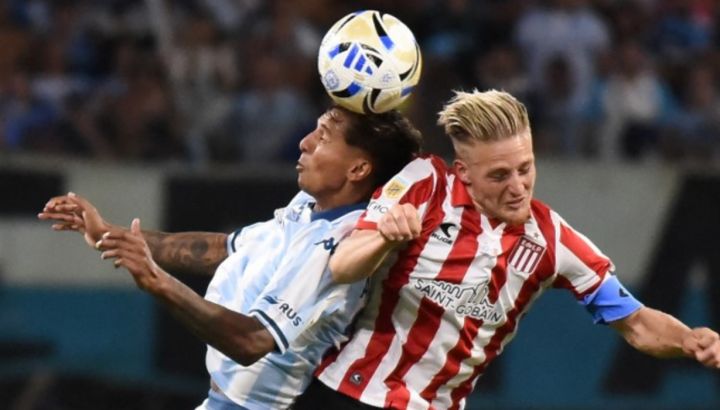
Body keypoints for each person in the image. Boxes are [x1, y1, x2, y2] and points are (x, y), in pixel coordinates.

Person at [293, 90, 720, 410]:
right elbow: (343, 265)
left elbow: (637, 323)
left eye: (525, 169)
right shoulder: (424, 183)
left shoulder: (553, 241)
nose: (518, 187)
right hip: (344, 394)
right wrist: (384, 237)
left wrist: (688, 340)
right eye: (499, 175)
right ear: (464, 172)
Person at [38, 105, 423, 410]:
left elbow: (251, 340)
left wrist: (156, 280)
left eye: (323, 137)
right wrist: (106, 233)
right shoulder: (307, 207)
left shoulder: (337, 243)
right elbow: (225, 249)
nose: (305, 143)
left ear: (358, 168)